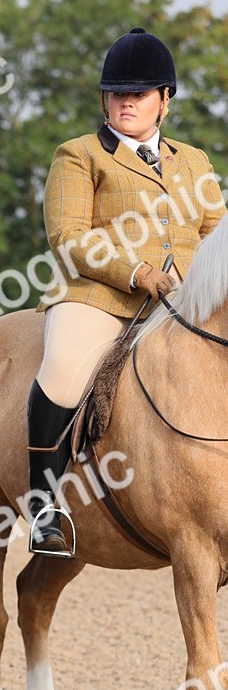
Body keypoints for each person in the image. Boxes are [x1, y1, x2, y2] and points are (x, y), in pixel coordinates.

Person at [28, 28, 227, 555]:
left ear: (165, 101)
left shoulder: (195, 162)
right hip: (103, 298)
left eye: (139, 94)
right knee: (63, 370)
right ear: (104, 99)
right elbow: (66, 237)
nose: (127, 102)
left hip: (184, 304)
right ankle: (45, 506)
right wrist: (137, 271)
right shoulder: (79, 155)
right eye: (118, 94)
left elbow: (216, 233)